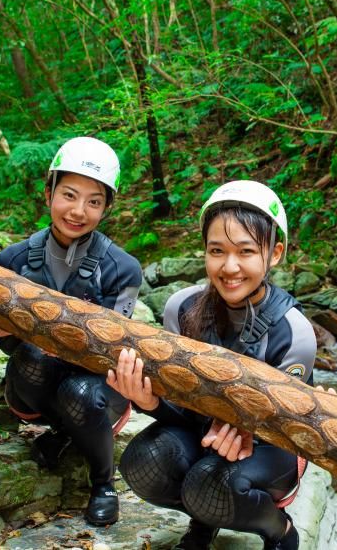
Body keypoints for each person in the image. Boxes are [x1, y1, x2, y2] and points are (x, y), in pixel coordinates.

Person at [107, 180, 317, 550]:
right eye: (217, 251)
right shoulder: (182, 309)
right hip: (204, 429)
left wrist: (247, 427)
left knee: (212, 482)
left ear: (275, 253)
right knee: (143, 463)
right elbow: (185, 409)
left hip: (273, 446)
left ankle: (278, 529)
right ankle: (204, 518)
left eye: (246, 251)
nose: (230, 266)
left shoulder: (293, 332)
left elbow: (289, 428)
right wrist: (149, 401)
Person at [0, 136, 142, 527]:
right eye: (69, 195)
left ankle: (103, 483)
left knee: (79, 391)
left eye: (94, 201)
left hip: (99, 387)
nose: (78, 211)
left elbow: (116, 351)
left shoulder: (123, 268)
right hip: (35, 384)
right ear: (48, 192)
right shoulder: (13, 259)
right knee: (32, 356)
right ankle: (64, 432)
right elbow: (10, 350)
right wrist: (1, 332)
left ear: (106, 207)